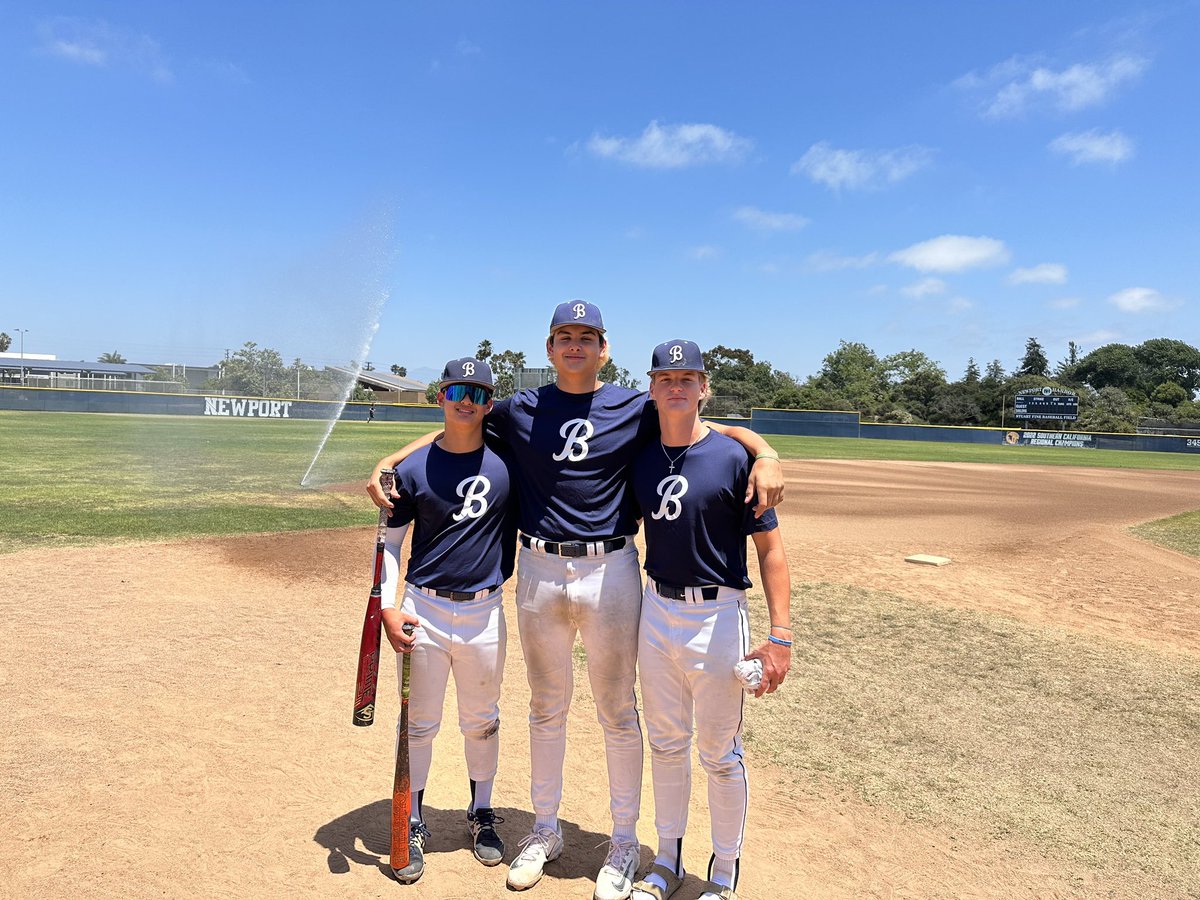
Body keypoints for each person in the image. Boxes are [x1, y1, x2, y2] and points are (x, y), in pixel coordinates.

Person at [368, 301, 785, 900]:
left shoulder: (636, 405)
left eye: (586, 337)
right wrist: (392, 459)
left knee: (617, 710)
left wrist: (765, 452)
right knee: (546, 707)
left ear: (603, 349)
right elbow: (456, 424)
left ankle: (623, 841)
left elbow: (707, 425)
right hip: (538, 568)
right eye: (564, 336)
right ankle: (544, 829)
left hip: (611, 568)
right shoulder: (520, 408)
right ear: (549, 348)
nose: (574, 345)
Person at [628, 339, 792, 900]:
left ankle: (723, 874)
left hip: (719, 615)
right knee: (666, 744)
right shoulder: (643, 453)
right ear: (652, 388)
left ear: (704, 387)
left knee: (720, 754)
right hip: (656, 610)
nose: (676, 386)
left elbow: (771, 551)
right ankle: (666, 860)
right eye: (665, 378)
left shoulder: (733, 457)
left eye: (687, 378)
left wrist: (780, 636)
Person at [375, 357, 517, 884]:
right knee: (419, 722)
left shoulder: (507, 465)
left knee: (482, 719)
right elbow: (391, 546)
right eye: (457, 391)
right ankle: (412, 819)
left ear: (489, 404)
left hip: (484, 609)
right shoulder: (413, 469)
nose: (466, 401)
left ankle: (481, 812)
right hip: (424, 608)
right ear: (440, 397)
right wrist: (388, 607)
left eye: (477, 394)